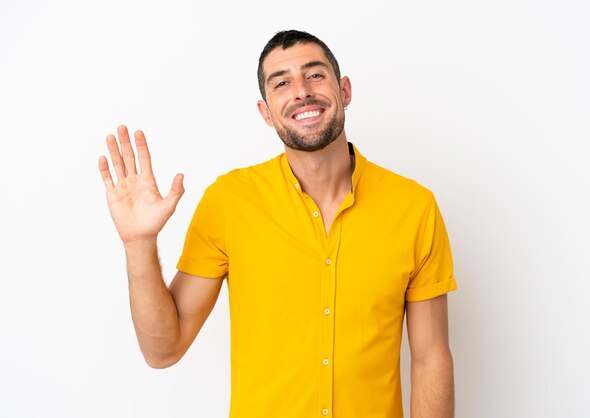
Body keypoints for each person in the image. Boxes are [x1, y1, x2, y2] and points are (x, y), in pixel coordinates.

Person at [99, 30, 457, 418]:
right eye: (282, 83)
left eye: (315, 74)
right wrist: (138, 244)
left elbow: (430, 360)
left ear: (345, 90)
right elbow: (163, 350)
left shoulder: (414, 207)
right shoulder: (229, 201)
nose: (301, 92)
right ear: (266, 112)